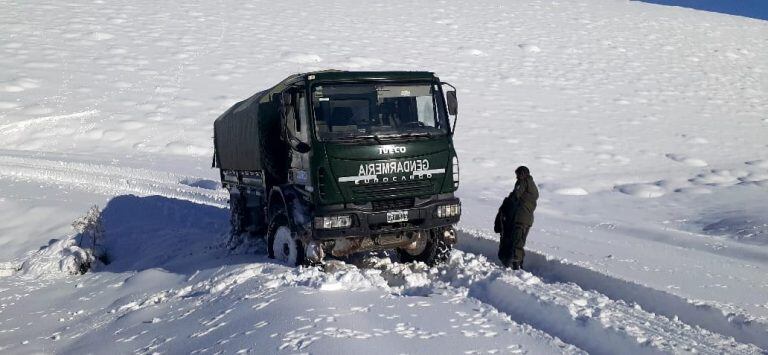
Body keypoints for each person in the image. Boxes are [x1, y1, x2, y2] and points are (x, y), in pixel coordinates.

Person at [494, 166, 538, 270]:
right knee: (520, 242)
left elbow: (515, 196)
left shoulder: (522, 182)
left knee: (516, 243)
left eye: (517, 174)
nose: (516, 177)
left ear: (522, 174)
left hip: (519, 218)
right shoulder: (532, 185)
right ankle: (518, 264)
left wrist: (506, 205)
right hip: (528, 219)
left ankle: (516, 267)